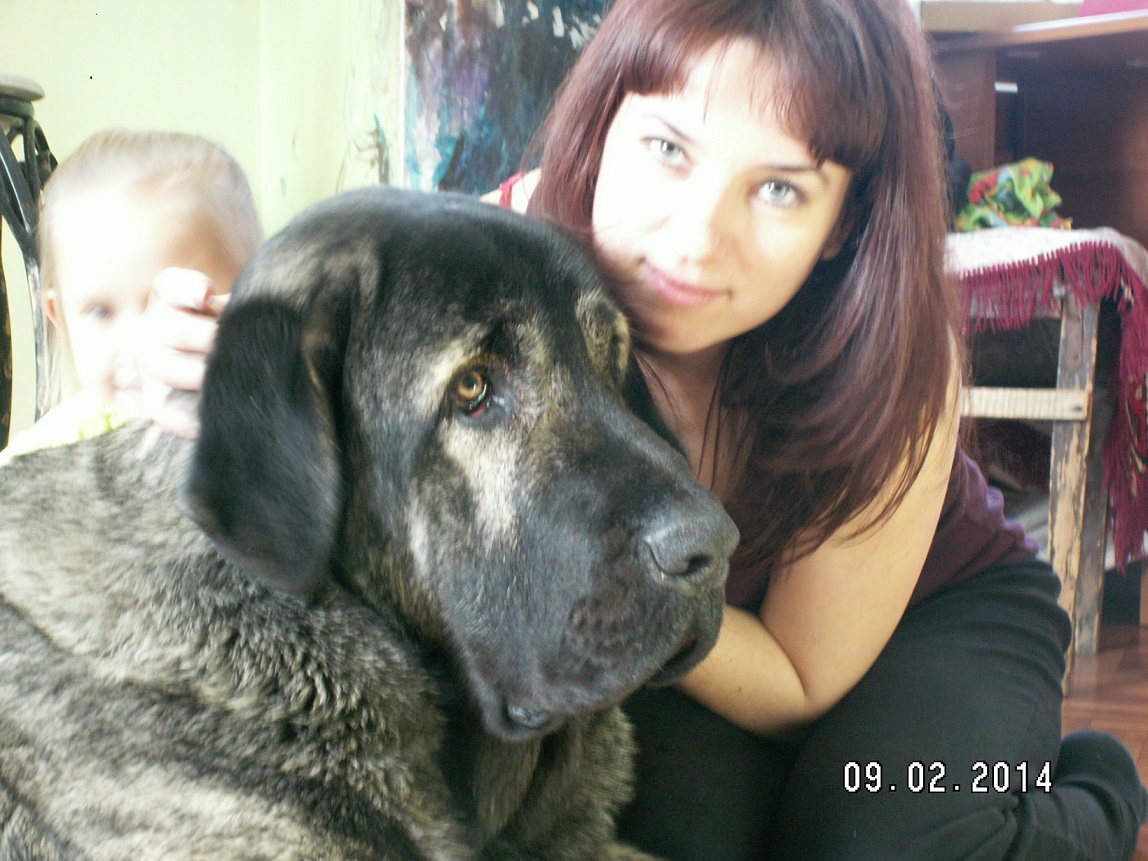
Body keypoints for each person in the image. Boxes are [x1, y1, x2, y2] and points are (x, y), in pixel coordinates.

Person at [144, 1, 1148, 856]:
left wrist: (629, 582)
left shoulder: (891, 359)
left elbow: (799, 677)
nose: (696, 237)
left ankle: (1089, 791)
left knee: (883, 832)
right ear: (603, 126)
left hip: (915, 629)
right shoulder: (510, 250)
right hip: (687, 622)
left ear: (843, 221)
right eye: (668, 149)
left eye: (779, 188)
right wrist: (224, 354)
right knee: (645, 823)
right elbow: (342, 320)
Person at [0, 128, 260, 463]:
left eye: (177, 305)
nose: (138, 347)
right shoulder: (48, 454)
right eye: (101, 312)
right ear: (60, 318)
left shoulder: (288, 419)